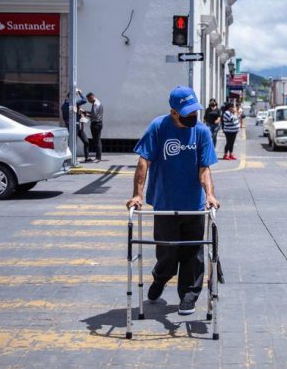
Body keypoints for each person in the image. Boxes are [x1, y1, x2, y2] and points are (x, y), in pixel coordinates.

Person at [125, 86, 220, 316]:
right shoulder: (158, 127)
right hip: (165, 204)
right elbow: (143, 162)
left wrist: (209, 194)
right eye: (187, 113)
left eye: (194, 111)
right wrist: (138, 194)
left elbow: (204, 169)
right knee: (167, 253)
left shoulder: (202, 131)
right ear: (173, 112)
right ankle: (160, 279)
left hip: (194, 206)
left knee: (193, 253)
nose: (193, 116)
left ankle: (188, 296)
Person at [61, 89, 91, 163]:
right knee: (73, 143)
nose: (76, 98)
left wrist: (80, 113)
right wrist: (80, 92)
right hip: (74, 127)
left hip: (78, 127)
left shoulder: (66, 105)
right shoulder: (72, 104)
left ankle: (86, 157)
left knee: (86, 142)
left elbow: (65, 117)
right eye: (75, 96)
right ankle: (70, 159)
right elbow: (84, 100)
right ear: (71, 97)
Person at [85, 92, 104, 163]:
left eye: (89, 99)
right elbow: (94, 113)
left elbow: (94, 115)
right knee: (97, 140)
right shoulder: (98, 103)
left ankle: (98, 157)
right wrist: (86, 112)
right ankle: (98, 157)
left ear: (91, 97)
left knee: (97, 141)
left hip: (96, 123)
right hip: (99, 123)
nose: (88, 101)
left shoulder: (95, 104)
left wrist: (86, 115)